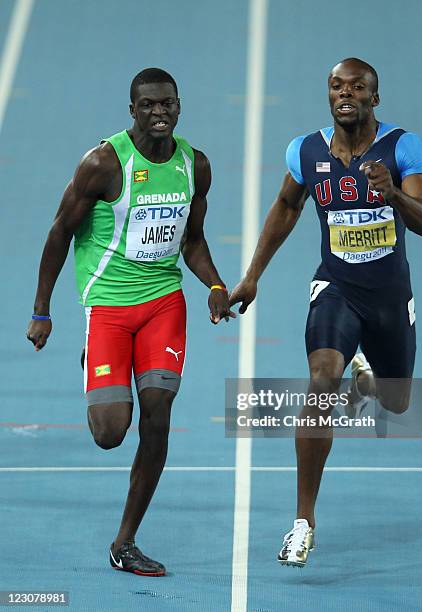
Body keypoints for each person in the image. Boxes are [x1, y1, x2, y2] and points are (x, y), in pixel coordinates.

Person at [230, 58, 422, 567]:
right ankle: (303, 521)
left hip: (389, 296)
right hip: (336, 288)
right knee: (321, 381)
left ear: (375, 97)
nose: (346, 94)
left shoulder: (404, 147)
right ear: (328, 95)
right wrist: (252, 275)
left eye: (358, 87)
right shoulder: (306, 151)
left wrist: (391, 194)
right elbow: (285, 207)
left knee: (399, 401)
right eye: (336, 86)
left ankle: (367, 370)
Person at [27, 68, 234, 576]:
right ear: (132, 110)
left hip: (164, 302)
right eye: (148, 105)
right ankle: (96, 360)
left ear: (179, 107)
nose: (158, 112)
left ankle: (125, 541)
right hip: (109, 308)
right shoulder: (103, 163)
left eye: (167, 104)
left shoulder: (195, 166)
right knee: (110, 433)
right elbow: (59, 233)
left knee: (157, 416)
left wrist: (214, 285)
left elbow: (192, 239)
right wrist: (42, 310)